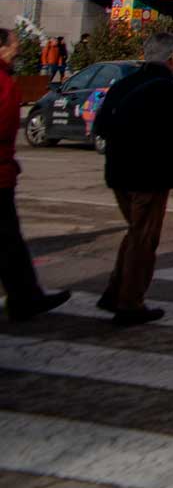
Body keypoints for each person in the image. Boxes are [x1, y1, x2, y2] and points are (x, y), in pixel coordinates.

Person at [93, 32, 173, 328]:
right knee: (144, 238)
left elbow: (101, 126)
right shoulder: (168, 90)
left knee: (136, 233)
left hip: (118, 172)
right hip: (149, 175)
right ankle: (130, 302)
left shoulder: (123, 84)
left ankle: (114, 291)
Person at [2, 27, 71, 323]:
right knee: (9, 241)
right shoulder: (3, 84)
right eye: (15, 44)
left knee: (10, 242)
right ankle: (25, 297)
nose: (19, 49)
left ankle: (25, 297)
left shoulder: (7, 80)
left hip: (4, 171)